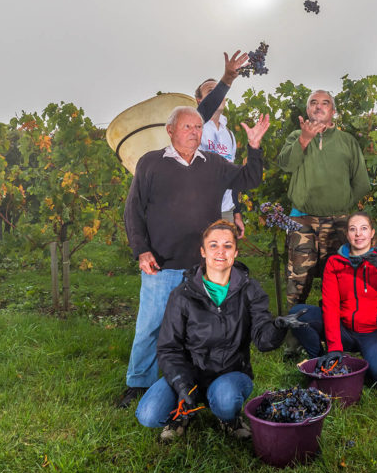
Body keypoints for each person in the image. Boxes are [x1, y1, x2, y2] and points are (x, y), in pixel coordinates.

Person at [116, 106, 270, 408]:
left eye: (198, 127)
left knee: (202, 328)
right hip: (162, 264)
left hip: (205, 269)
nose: (194, 132)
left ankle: (200, 379)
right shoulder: (150, 164)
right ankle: (138, 383)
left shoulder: (214, 164)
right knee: (150, 325)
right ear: (170, 130)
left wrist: (254, 147)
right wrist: (142, 250)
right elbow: (133, 211)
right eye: (187, 127)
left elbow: (249, 178)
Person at [135, 220, 306, 442]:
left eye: (227, 245)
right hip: (190, 373)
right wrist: (182, 384)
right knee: (148, 414)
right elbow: (169, 348)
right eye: (213, 245)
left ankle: (228, 417)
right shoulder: (182, 295)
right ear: (203, 252)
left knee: (225, 401)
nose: (220, 251)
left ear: (235, 252)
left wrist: (277, 327)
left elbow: (263, 342)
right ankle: (182, 414)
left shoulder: (250, 290)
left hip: (230, 373)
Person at [276, 90, 371, 321]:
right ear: (307, 110)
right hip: (301, 220)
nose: (319, 107)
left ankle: (333, 334)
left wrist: (340, 206)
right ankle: (293, 340)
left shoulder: (347, 141)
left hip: (338, 222)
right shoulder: (296, 136)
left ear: (333, 111)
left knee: (338, 282)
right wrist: (304, 140)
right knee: (297, 281)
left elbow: (361, 183)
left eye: (325, 103)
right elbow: (286, 164)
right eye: (313, 103)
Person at [288, 212, 377, 386]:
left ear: (372, 233)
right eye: (353, 229)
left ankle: (364, 362)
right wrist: (334, 347)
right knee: (297, 314)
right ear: (347, 235)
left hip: (375, 332)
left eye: (364, 228)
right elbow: (330, 306)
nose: (358, 234)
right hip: (344, 329)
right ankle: (320, 360)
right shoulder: (335, 262)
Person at [194, 50, 249, 237]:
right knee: (198, 261)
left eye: (220, 92)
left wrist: (236, 212)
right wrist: (226, 80)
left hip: (225, 210)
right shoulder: (196, 125)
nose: (219, 96)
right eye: (212, 92)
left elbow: (231, 177)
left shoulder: (229, 135)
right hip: (198, 209)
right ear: (200, 101)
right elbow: (203, 112)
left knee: (224, 260)